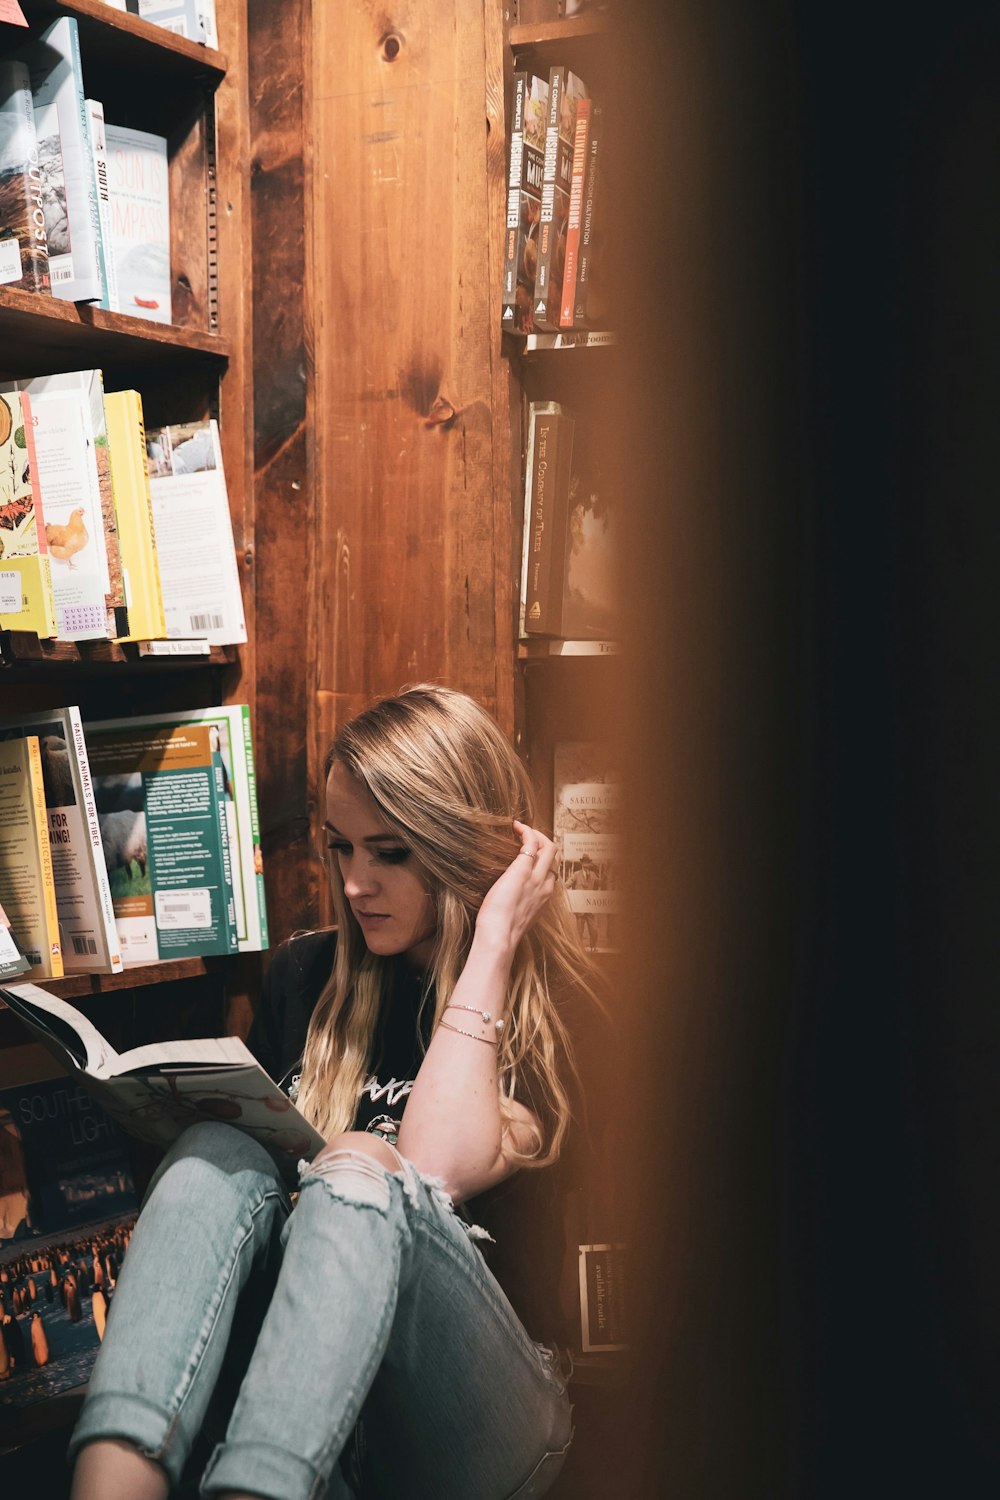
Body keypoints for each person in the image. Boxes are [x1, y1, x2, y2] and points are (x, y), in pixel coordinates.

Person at [68, 684, 608, 1500]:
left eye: (390, 853)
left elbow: (434, 1168)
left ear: (467, 849)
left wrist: (493, 938)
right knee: (213, 1150)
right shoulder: (305, 977)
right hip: (312, 1398)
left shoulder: (559, 1009)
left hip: (482, 1420)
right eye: (341, 848)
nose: (356, 884)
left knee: (361, 1163)